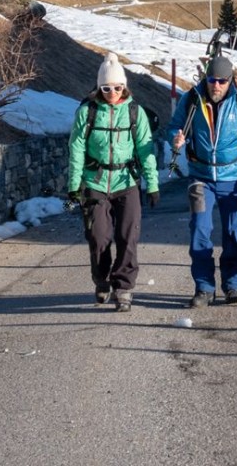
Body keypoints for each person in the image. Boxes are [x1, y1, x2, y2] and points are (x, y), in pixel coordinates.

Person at [166, 54, 237, 307]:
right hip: (200, 178)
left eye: (222, 80)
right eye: (212, 79)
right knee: (200, 229)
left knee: (233, 232)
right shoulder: (191, 99)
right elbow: (174, 127)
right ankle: (204, 288)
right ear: (206, 78)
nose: (217, 85)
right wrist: (176, 138)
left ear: (230, 80)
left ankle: (233, 285)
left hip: (233, 179)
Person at [67, 53, 158, 312]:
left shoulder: (134, 112)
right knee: (98, 237)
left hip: (126, 181)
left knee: (128, 236)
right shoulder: (87, 112)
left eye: (117, 87)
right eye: (106, 88)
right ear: (99, 87)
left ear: (124, 86)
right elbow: (76, 149)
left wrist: (152, 185)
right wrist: (74, 186)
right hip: (94, 182)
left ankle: (124, 287)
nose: (112, 93)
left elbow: (145, 149)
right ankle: (101, 279)